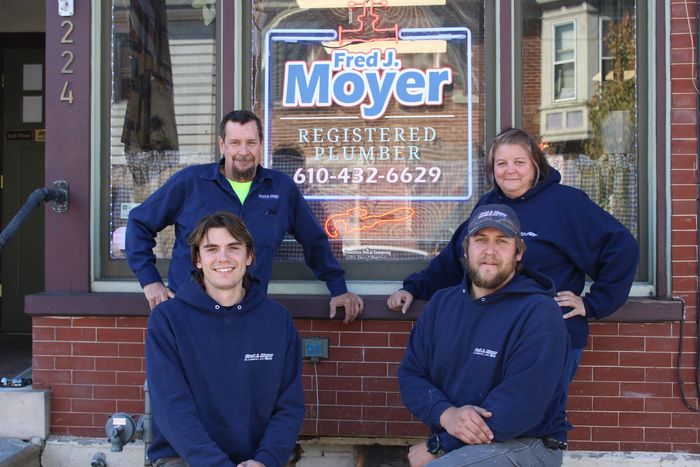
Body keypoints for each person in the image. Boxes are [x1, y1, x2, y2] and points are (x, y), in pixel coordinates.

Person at [388, 127, 638, 382]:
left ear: (536, 165)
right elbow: (456, 259)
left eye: (519, 162)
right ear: (492, 168)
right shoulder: (489, 206)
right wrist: (414, 288)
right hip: (491, 333)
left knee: (535, 415)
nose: (510, 170)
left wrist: (593, 303)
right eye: (501, 163)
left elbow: (621, 247)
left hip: (547, 335)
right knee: (491, 413)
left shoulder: (565, 203)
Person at [126, 109, 363, 322]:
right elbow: (139, 222)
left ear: (261, 144)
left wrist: (338, 288)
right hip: (188, 314)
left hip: (250, 316)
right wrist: (150, 281)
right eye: (235, 142)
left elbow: (315, 240)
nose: (243, 151)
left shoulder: (281, 189)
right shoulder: (191, 183)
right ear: (222, 144)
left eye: (251, 142)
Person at [398, 204, 570, 467]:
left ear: (518, 253)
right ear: (466, 249)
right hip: (461, 442)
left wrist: (441, 445)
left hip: (528, 444)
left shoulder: (539, 313)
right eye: (481, 240)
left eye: (502, 241)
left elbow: (520, 405)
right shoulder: (441, 304)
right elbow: (412, 375)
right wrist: (446, 415)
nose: (490, 251)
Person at [146, 212, 304, 467]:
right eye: (211, 249)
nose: (223, 258)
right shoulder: (168, 320)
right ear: (198, 259)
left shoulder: (277, 320)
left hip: (258, 460)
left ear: (249, 256)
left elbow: (289, 405)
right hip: (185, 459)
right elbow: (172, 409)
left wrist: (266, 460)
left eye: (233, 248)